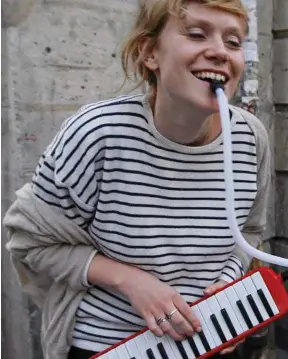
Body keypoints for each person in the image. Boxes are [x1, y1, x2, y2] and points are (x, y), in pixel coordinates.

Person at [3, 1, 272, 358]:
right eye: (196, 34)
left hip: (213, 337)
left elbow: (249, 234)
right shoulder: (97, 134)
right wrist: (131, 281)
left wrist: (229, 287)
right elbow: (28, 242)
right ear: (150, 53)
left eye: (234, 42)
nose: (221, 52)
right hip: (113, 346)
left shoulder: (251, 138)